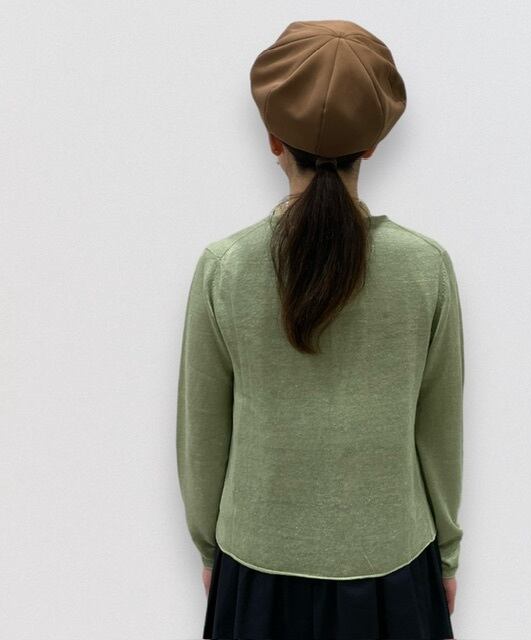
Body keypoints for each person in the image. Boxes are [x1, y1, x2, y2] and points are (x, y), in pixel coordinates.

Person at [176, 19, 464, 640]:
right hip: (393, 568)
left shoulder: (225, 269)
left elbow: (203, 437)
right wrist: (446, 554)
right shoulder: (425, 268)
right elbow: (439, 431)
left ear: (273, 140)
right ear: (373, 146)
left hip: (257, 570)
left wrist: (208, 550)